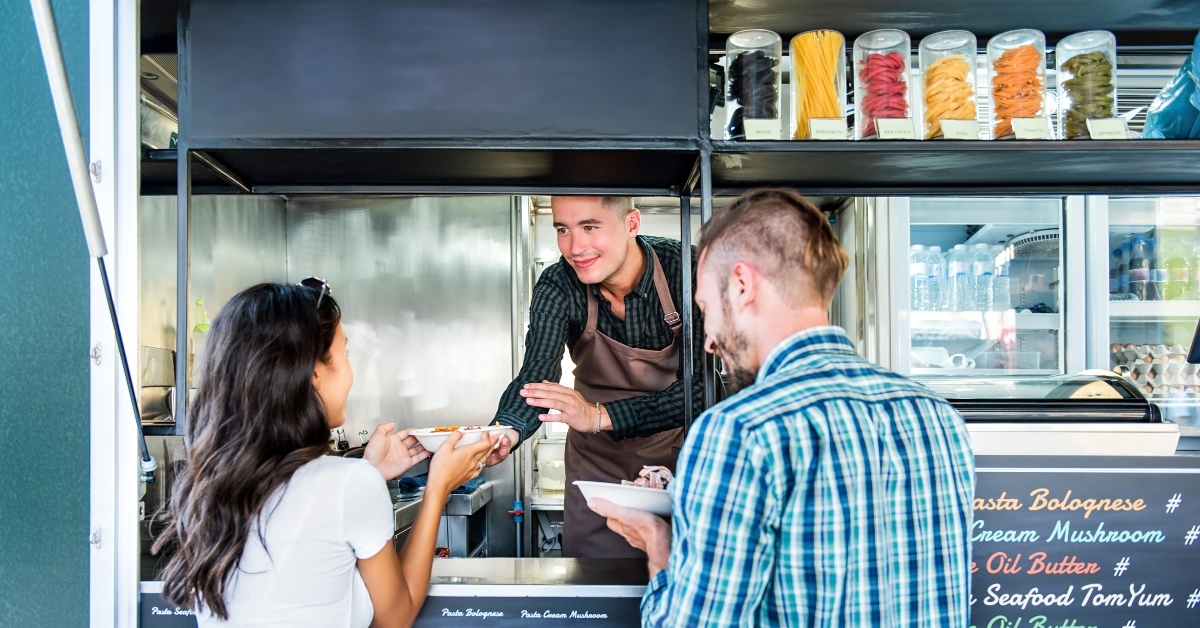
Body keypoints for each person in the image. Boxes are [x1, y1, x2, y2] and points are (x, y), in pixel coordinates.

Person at [590, 189, 975, 626]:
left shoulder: (740, 430)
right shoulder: (938, 417)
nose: (710, 340)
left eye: (705, 307)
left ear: (741, 285)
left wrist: (660, 545)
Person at [152, 281, 497, 627]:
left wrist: (370, 472)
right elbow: (395, 618)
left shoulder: (205, 486)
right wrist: (438, 487)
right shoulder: (349, 485)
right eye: (345, 354)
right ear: (315, 374)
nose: (351, 372)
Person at [486, 196, 705, 557]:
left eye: (590, 227)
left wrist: (599, 416)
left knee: (678, 571)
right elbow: (537, 374)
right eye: (562, 229)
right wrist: (504, 433)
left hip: (677, 465)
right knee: (592, 586)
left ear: (632, 224)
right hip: (595, 470)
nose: (575, 247)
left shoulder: (687, 269)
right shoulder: (559, 284)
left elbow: (703, 390)